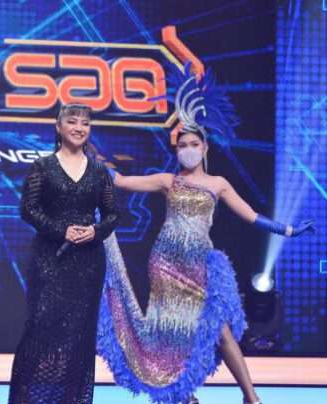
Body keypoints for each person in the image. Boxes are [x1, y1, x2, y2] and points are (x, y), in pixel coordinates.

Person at [97, 65, 314, 404]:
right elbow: (123, 181)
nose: (187, 149)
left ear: (204, 147)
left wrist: (287, 230)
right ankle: (184, 396)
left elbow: (251, 216)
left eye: (193, 143)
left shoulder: (218, 184)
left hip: (200, 265)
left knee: (221, 330)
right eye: (181, 144)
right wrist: (94, 162)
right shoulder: (168, 180)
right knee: (173, 336)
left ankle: (250, 397)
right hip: (167, 265)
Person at [8, 103, 119, 403]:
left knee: (80, 337)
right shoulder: (42, 166)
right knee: (38, 331)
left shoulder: (99, 171)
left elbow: (113, 215)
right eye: (72, 121)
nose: (79, 127)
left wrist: (95, 230)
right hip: (50, 259)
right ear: (58, 127)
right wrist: (61, 230)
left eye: (85, 123)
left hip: (89, 263)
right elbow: (28, 209)